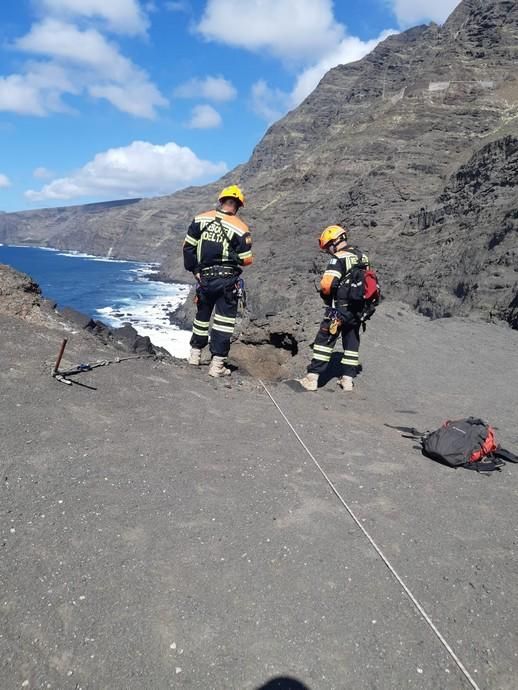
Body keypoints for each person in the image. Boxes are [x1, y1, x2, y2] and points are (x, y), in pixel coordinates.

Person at [183, 184, 253, 377]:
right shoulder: (240, 228)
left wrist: (195, 270)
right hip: (227, 280)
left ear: (221, 201)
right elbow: (246, 259)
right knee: (223, 322)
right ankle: (217, 366)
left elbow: (188, 247)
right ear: (238, 205)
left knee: (202, 317)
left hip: (204, 278)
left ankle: (194, 356)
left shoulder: (200, 219)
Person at [299, 224, 375, 392]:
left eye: (328, 247)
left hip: (339, 308)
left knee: (324, 340)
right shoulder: (363, 257)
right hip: (358, 309)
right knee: (352, 342)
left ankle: (312, 378)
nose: (328, 251)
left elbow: (327, 284)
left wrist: (326, 297)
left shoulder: (339, 258)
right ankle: (347, 380)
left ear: (335, 241)